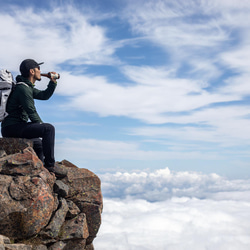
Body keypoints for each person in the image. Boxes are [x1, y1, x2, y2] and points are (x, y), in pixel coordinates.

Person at [1, 59, 66, 177]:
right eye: (38, 69)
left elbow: (44, 95)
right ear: (32, 71)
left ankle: (40, 171)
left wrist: (53, 82)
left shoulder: (27, 87)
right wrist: (42, 127)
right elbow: (31, 111)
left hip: (15, 126)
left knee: (39, 144)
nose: (40, 72)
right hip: (11, 127)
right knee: (48, 129)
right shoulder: (23, 89)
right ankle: (51, 166)